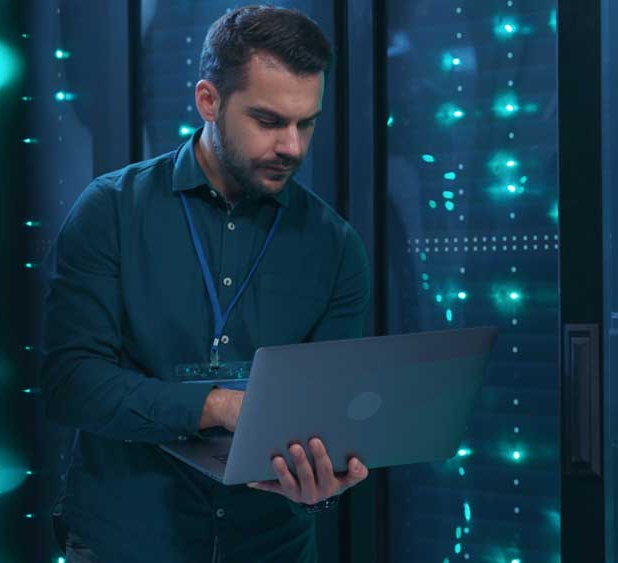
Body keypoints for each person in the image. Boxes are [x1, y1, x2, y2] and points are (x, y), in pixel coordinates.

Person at [41, 5, 371, 562]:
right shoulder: (112, 211)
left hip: (271, 548)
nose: (292, 146)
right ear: (208, 101)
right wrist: (217, 405)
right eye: (269, 121)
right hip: (127, 542)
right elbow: (71, 382)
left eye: (306, 122)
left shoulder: (335, 246)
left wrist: (323, 481)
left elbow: (329, 412)